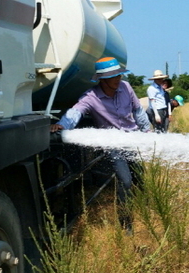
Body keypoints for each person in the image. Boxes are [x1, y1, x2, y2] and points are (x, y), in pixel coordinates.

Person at [50, 57, 150, 234]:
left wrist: (147, 132)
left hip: (133, 138)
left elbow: (138, 111)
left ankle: (147, 208)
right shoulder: (91, 97)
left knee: (140, 177)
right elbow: (76, 112)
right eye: (113, 76)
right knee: (125, 181)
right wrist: (62, 125)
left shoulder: (126, 87)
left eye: (119, 75)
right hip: (112, 143)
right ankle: (126, 224)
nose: (118, 79)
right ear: (101, 79)